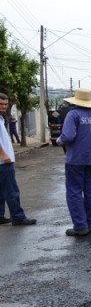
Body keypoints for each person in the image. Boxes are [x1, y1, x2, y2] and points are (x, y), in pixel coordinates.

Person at [56, 88, 91, 237]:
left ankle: (80, 226)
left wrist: (58, 140)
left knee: (74, 192)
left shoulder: (73, 114)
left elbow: (67, 136)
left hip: (76, 160)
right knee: (90, 191)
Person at [0, 93, 37, 226]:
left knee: (1, 190)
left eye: (5, 104)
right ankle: (18, 217)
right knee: (11, 190)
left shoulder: (2, 119)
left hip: (4, 161)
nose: (3, 106)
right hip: (3, 161)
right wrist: (4, 155)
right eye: (1, 104)